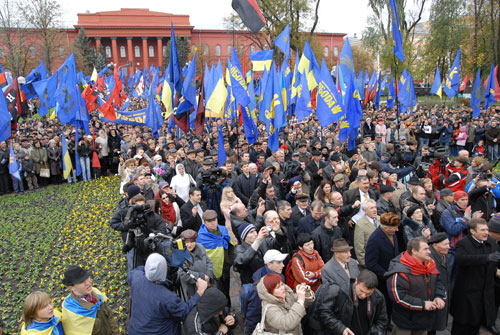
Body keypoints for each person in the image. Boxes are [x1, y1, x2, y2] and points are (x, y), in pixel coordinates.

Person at [128, 253, 208, 335]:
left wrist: (151, 266)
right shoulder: (167, 297)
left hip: (135, 331)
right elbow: (184, 311)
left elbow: (134, 272)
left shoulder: (136, 277)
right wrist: (199, 292)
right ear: (164, 270)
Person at [385, 237, 446, 335]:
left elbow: (438, 282)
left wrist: (439, 296)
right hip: (405, 322)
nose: (429, 252)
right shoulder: (400, 271)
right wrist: (423, 304)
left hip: (423, 320)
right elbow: (398, 297)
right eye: (425, 249)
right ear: (414, 251)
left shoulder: (430, 264)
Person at [450, 218, 500, 335]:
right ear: (472, 231)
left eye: (487, 229)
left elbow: (495, 259)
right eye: (482, 230)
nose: (486, 232)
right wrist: (486, 258)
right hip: (467, 294)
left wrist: (496, 269)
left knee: (475, 325)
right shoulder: (463, 243)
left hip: (484, 293)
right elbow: (461, 259)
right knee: (461, 326)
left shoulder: (491, 243)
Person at [308, 270, 388, 335]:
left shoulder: (378, 297)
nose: (363, 296)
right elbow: (325, 312)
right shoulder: (340, 291)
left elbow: (382, 320)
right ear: (356, 281)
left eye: (368, 293)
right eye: (361, 291)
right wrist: (341, 329)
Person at [61, 265, 119, 335]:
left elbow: (109, 316)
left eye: (87, 278)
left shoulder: (96, 293)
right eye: (82, 282)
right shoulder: (72, 310)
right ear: (71, 288)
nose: (88, 283)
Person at [196, 209, 234, 306]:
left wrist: (230, 260)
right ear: (205, 222)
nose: (213, 223)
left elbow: (230, 245)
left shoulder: (223, 229)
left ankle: (228, 309)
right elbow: (202, 256)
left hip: (226, 265)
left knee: (227, 289)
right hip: (213, 270)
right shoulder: (201, 237)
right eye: (210, 221)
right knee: (218, 292)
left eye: (215, 220)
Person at [177, 230, 214, 301]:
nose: (189, 245)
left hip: (206, 284)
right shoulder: (180, 254)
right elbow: (182, 273)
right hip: (191, 289)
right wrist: (202, 277)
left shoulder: (201, 247)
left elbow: (209, 261)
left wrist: (209, 275)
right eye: (186, 242)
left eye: (192, 242)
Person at [427, 233, 451, 334]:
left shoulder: (445, 257)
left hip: (441, 295)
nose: (448, 247)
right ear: (435, 245)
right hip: (433, 297)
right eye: (445, 244)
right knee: (430, 326)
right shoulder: (429, 259)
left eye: (448, 244)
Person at [354, 199, 380, 268]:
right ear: (365, 211)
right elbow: (359, 245)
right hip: (370, 259)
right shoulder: (360, 224)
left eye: (375, 207)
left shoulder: (381, 219)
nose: (375, 210)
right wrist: (363, 262)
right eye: (371, 208)